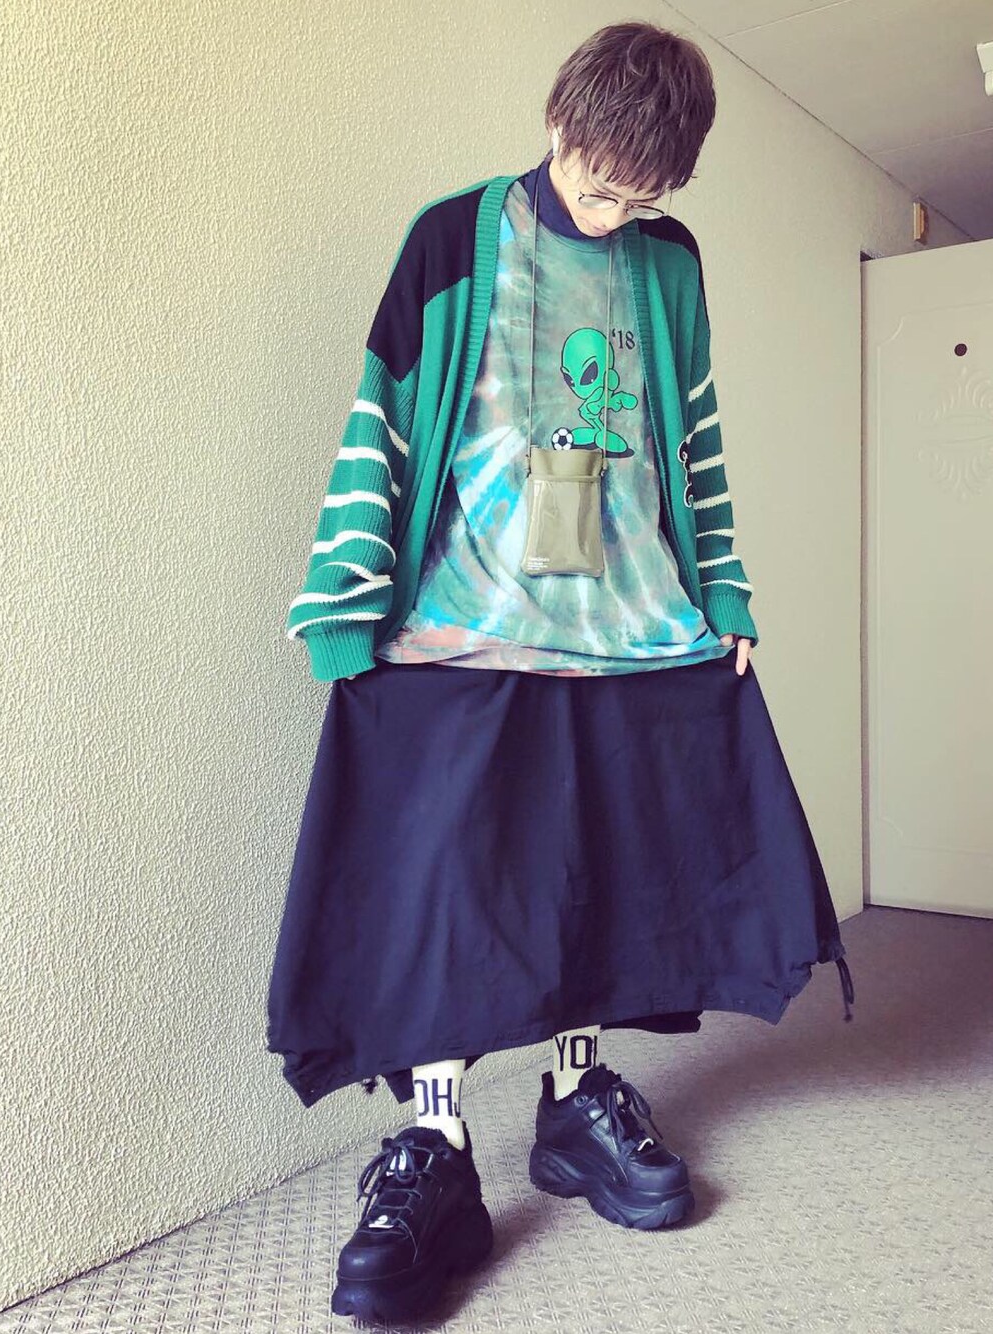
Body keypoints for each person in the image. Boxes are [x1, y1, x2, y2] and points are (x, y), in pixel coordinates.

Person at [265, 19, 855, 1325]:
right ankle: (434, 1144)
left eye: (642, 197)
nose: (614, 211)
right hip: (466, 622)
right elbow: (380, 415)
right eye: (600, 184)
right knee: (445, 895)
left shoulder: (670, 262)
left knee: (603, 881)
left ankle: (576, 1103)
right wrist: (344, 600)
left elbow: (694, 436)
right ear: (556, 124)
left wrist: (725, 592)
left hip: (633, 629)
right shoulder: (451, 238)